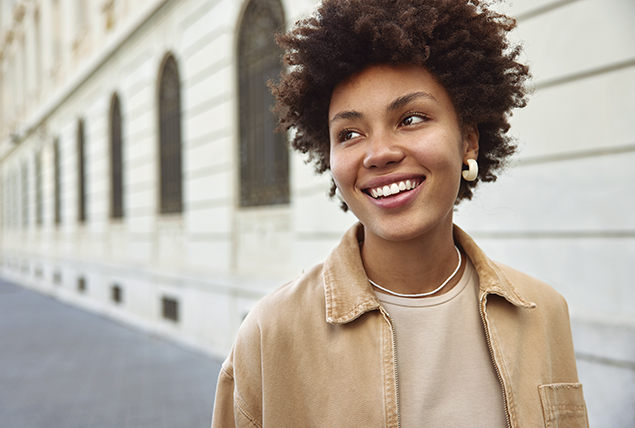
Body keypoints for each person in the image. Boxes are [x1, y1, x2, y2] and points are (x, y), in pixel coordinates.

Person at [212, 0, 589, 426]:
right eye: (349, 133)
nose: (379, 154)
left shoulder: (544, 313)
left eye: (410, 118)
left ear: (468, 141)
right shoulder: (270, 335)